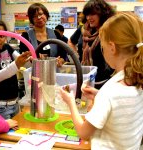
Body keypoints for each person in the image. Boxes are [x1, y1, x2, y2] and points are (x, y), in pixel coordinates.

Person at [60, 12, 143, 150]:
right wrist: (99, 95)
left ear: (112, 47)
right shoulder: (137, 79)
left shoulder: (109, 92)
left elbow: (83, 132)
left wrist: (70, 102)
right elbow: (122, 104)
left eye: (103, 48)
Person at [0, 20, 31, 119]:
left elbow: (22, 60)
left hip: (15, 102)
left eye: (1, 36)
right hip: (0, 105)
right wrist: (16, 65)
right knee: (4, 133)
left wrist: (30, 59)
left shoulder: (8, 47)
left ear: (6, 36)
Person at [81, 0, 115, 89]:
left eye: (92, 14)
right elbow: (71, 42)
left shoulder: (109, 32)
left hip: (106, 81)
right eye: (87, 15)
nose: (89, 18)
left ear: (102, 14)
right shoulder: (85, 30)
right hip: (87, 80)